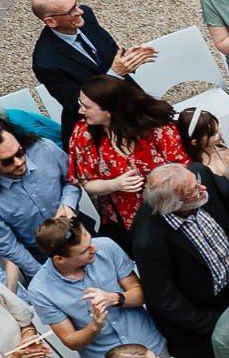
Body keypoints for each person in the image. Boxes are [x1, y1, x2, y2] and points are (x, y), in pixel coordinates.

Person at [129, 162, 229, 358]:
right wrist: (217, 323)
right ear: (174, 205)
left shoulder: (198, 175)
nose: (203, 188)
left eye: (197, 183)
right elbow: (166, 300)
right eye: (194, 191)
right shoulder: (148, 241)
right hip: (209, 312)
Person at [24, 216, 160, 358]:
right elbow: (71, 341)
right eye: (84, 250)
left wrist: (115, 298)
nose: (94, 249)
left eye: (90, 241)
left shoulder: (107, 247)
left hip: (150, 347)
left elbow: (141, 294)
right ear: (60, 259)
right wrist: (94, 326)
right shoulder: (40, 289)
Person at [66, 76, 186, 245]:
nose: (80, 111)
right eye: (80, 104)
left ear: (109, 110)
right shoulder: (83, 135)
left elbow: (184, 171)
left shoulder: (158, 130)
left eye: (86, 107)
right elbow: (87, 182)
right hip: (130, 223)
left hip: (176, 210)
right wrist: (115, 184)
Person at [0, 119, 82, 286]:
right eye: (7, 161)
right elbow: (8, 245)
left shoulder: (44, 148)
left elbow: (73, 178)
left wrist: (68, 204)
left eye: (20, 152)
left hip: (79, 230)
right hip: (42, 257)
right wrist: (44, 275)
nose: (18, 162)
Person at [27, 0, 153, 143]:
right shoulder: (45, 62)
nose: (79, 11)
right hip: (99, 130)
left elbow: (110, 53)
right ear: (51, 22)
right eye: (71, 11)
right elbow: (78, 105)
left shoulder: (86, 16)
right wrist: (115, 73)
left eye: (76, 4)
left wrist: (129, 58)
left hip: (131, 102)